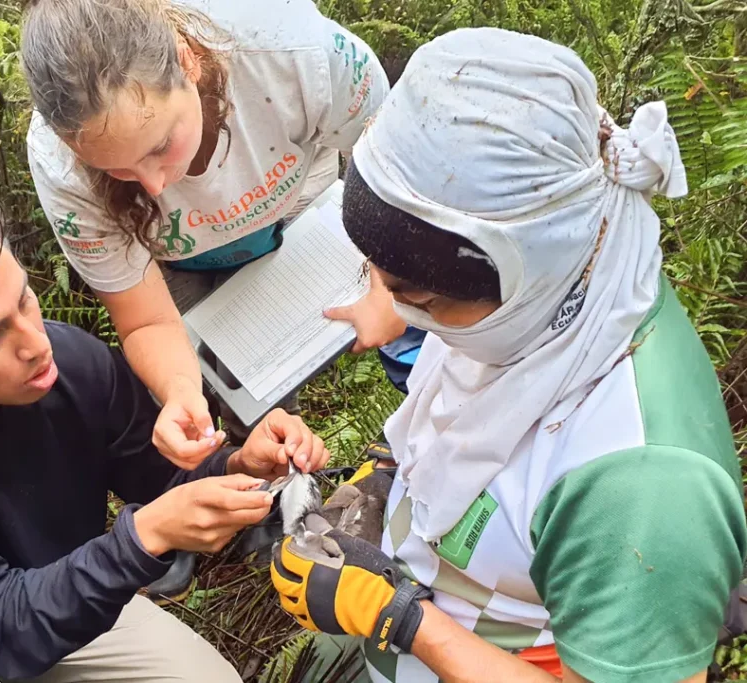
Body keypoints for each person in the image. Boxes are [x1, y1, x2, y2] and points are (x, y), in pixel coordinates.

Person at [269, 27, 747, 683]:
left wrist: (403, 619)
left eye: (415, 297)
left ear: (522, 273)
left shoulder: (642, 484)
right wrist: (387, 477)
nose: (393, 309)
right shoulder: (548, 298)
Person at [0, 172, 330, 683]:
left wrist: (237, 464)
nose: (35, 341)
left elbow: (160, 478)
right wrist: (143, 539)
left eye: (24, 297)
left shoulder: (65, 362)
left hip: (54, 587)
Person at [20, 0, 399, 468]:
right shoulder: (59, 165)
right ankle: (267, 499)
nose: (156, 186)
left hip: (300, 213)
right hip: (179, 258)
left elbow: (398, 182)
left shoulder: (293, 50)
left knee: (399, 321)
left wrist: (389, 286)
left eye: (160, 146)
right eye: (115, 169)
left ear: (187, 60)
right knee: (230, 386)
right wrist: (181, 392)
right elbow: (146, 321)